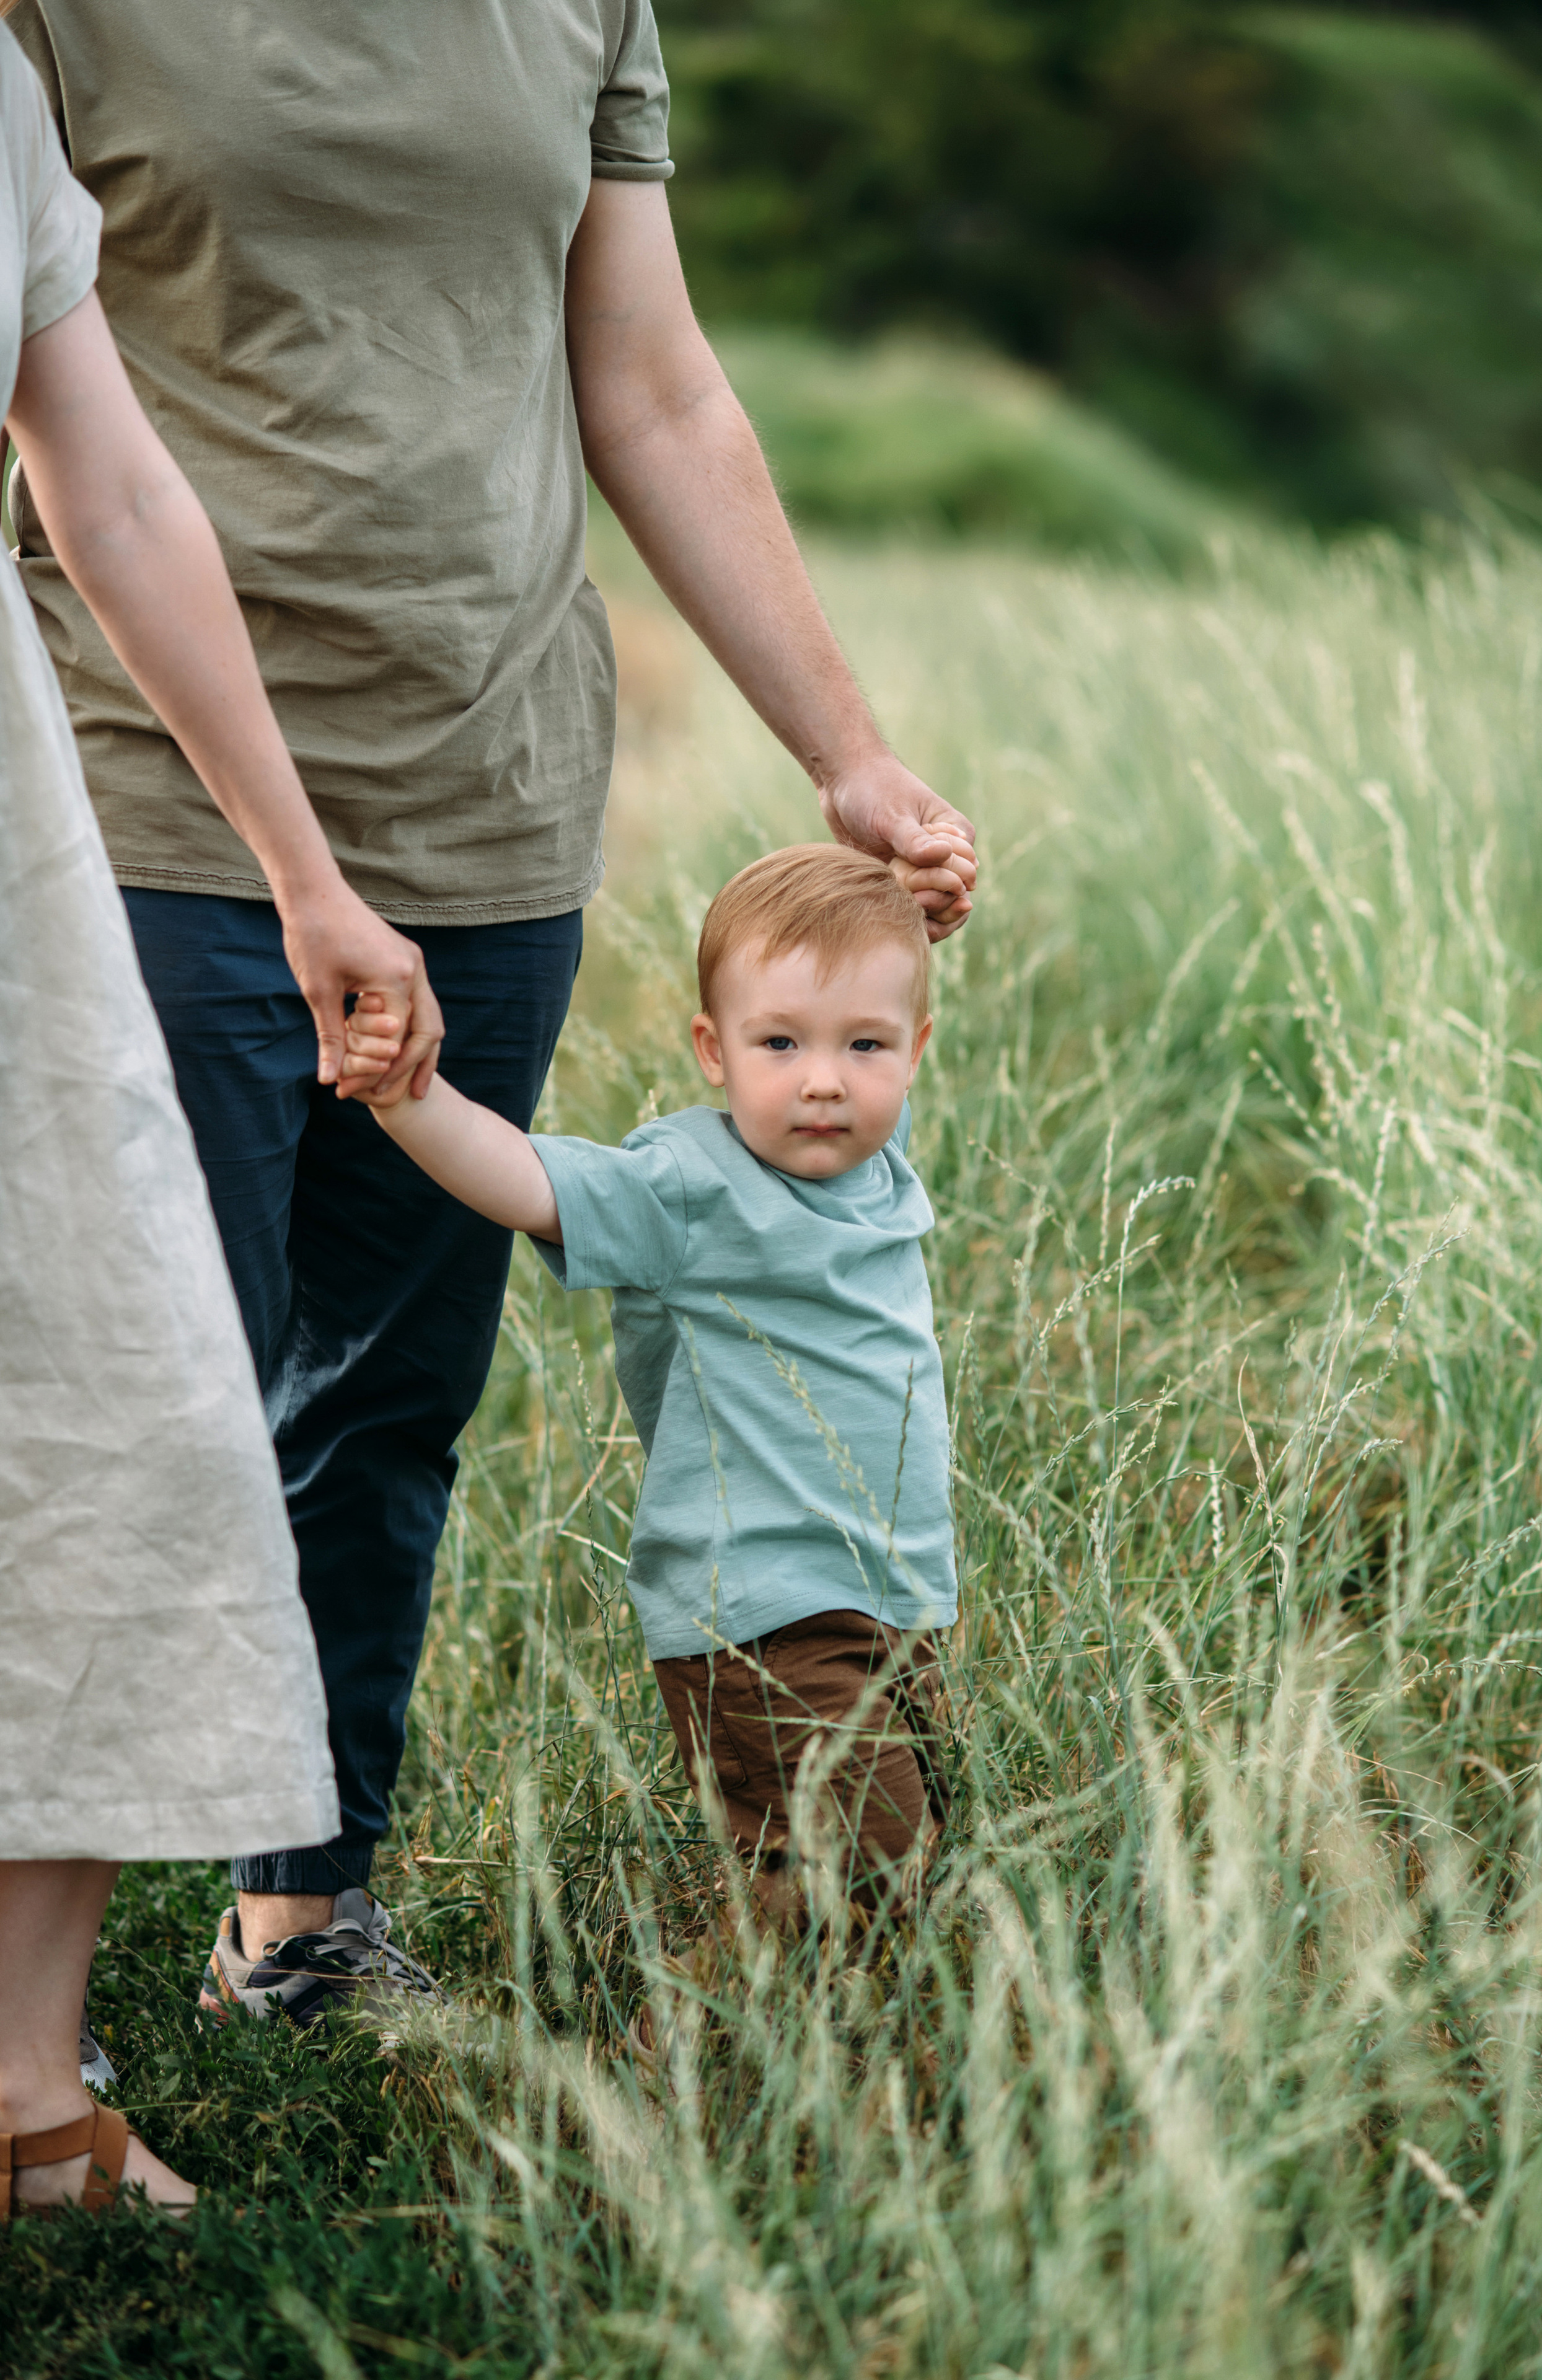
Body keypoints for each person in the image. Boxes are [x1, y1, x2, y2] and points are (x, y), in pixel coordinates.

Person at [7, 0, 977, 2013]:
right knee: (144, 1392)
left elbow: (655, 390)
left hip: (492, 791)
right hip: (154, 780)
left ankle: (301, 1910)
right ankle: (37, 2028)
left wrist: (846, 752)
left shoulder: (580, 6)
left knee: (386, 1387)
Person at [0, 24, 441, 2217]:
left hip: (23, 830)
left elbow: (118, 486)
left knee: (111, 1407)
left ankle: (22, 2104)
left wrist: (307, 874)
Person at [341, 845, 958, 1914]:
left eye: (865, 1045)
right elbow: (531, 1182)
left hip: (890, 1602)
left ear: (917, 1052)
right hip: (762, 1611)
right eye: (781, 1043)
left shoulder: (878, 1181)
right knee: (858, 1871)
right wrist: (410, 1104)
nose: (823, 1078)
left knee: (894, 1862)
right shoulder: (691, 1185)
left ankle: (779, 2047)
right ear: (713, 1052)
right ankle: (689, 2055)